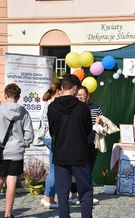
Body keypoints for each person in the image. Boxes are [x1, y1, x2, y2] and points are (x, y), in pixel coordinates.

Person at [47, 74, 93, 218]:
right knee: (85, 191)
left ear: (62, 88)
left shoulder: (52, 107)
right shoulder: (83, 108)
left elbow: (52, 130)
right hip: (80, 154)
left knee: (62, 193)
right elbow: (88, 131)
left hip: (60, 154)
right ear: (75, 88)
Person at [0, 83, 34, 218]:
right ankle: (8, 214)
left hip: (1, 150)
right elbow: (29, 134)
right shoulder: (24, 112)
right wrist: (23, 143)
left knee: (1, 179)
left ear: (5, 95)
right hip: (16, 151)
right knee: (12, 180)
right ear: (18, 97)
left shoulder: (0, 110)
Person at [69, 86, 103, 205]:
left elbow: (101, 120)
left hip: (92, 142)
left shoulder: (95, 107)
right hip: (77, 143)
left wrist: (100, 121)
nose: (80, 96)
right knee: (75, 170)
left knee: (88, 170)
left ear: (87, 95)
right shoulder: (73, 108)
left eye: (83, 94)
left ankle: (87, 195)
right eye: (78, 94)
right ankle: (73, 195)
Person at [40, 83, 61, 209]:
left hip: (48, 138)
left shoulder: (48, 103)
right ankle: (49, 198)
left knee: (54, 168)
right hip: (53, 138)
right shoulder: (54, 104)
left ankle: (47, 197)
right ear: (58, 91)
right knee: (55, 169)